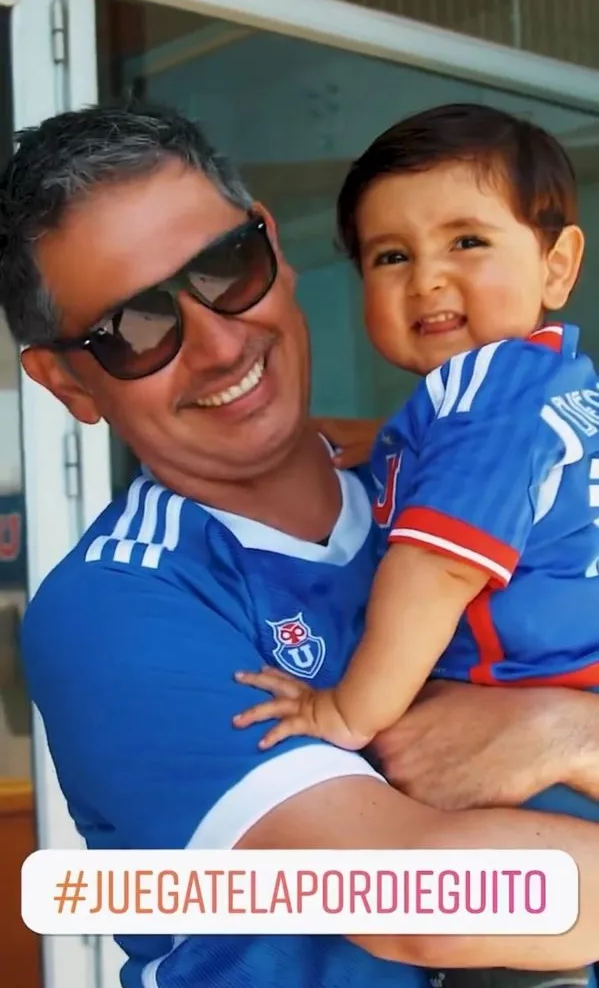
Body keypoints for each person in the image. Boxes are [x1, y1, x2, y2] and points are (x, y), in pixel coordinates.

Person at [2, 103, 599, 988]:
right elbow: (439, 902)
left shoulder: (437, 485)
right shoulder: (119, 606)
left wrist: (569, 735)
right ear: (66, 381)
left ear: (274, 249)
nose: (216, 343)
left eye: (225, 266)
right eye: (134, 328)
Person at [231, 103, 599, 987]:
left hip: (528, 715)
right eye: (390, 256)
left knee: (494, 931)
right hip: (562, 695)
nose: (427, 279)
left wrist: (343, 713)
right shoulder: (545, 382)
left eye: (466, 242)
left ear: (556, 265)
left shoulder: (484, 394)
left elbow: (434, 566)